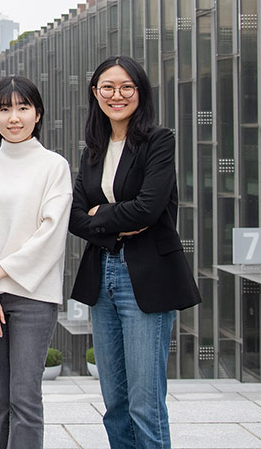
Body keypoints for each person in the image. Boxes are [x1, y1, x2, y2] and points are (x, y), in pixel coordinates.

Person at [69, 56, 201, 449]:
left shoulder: (158, 141)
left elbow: (148, 208)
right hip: (102, 275)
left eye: (127, 87)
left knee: (145, 404)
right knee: (115, 403)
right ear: (95, 94)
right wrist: (114, 221)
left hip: (145, 277)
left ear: (140, 93)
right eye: (107, 87)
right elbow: (75, 218)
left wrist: (101, 214)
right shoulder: (93, 149)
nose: (117, 95)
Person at [0, 76, 72, 449]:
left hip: (34, 297)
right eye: (4, 109)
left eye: (23, 107)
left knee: (25, 399)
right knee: (2, 402)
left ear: (37, 113)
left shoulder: (53, 166)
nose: (14, 117)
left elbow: (51, 233)